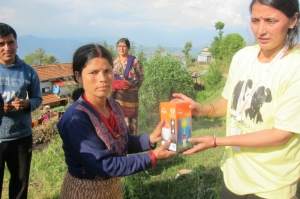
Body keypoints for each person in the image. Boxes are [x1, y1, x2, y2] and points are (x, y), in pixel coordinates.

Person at [172, 0, 300, 198]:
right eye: (255, 20)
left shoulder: (295, 67)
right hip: (233, 176)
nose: (261, 30)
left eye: (271, 21)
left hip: (272, 184)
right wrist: (203, 109)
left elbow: (280, 134)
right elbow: (229, 102)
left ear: (293, 20)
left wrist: (216, 141)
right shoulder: (243, 57)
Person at [56, 43, 176, 199]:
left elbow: (122, 142)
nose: (103, 79)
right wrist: (151, 156)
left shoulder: (113, 106)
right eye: (94, 72)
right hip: (85, 192)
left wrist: (151, 139)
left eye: (107, 71)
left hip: (112, 189)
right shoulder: (76, 119)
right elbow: (104, 164)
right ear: (78, 76)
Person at [0, 23, 42, 199]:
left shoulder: (28, 71)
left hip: (21, 137)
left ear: (17, 44)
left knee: (20, 185)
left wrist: (26, 104)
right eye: (1, 44)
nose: (7, 48)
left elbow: (37, 98)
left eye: (10, 42)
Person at [110, 38, 144, 135]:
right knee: (118, 118)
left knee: (130, 121)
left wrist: (131, 87)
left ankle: (132, 143)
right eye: (119, 46)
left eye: (124, 46)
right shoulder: (113, 62)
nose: (121, 48)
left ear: (128, 48)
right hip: (117, 96)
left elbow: (141, 78)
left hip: (131, 98)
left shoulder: (135, 62)